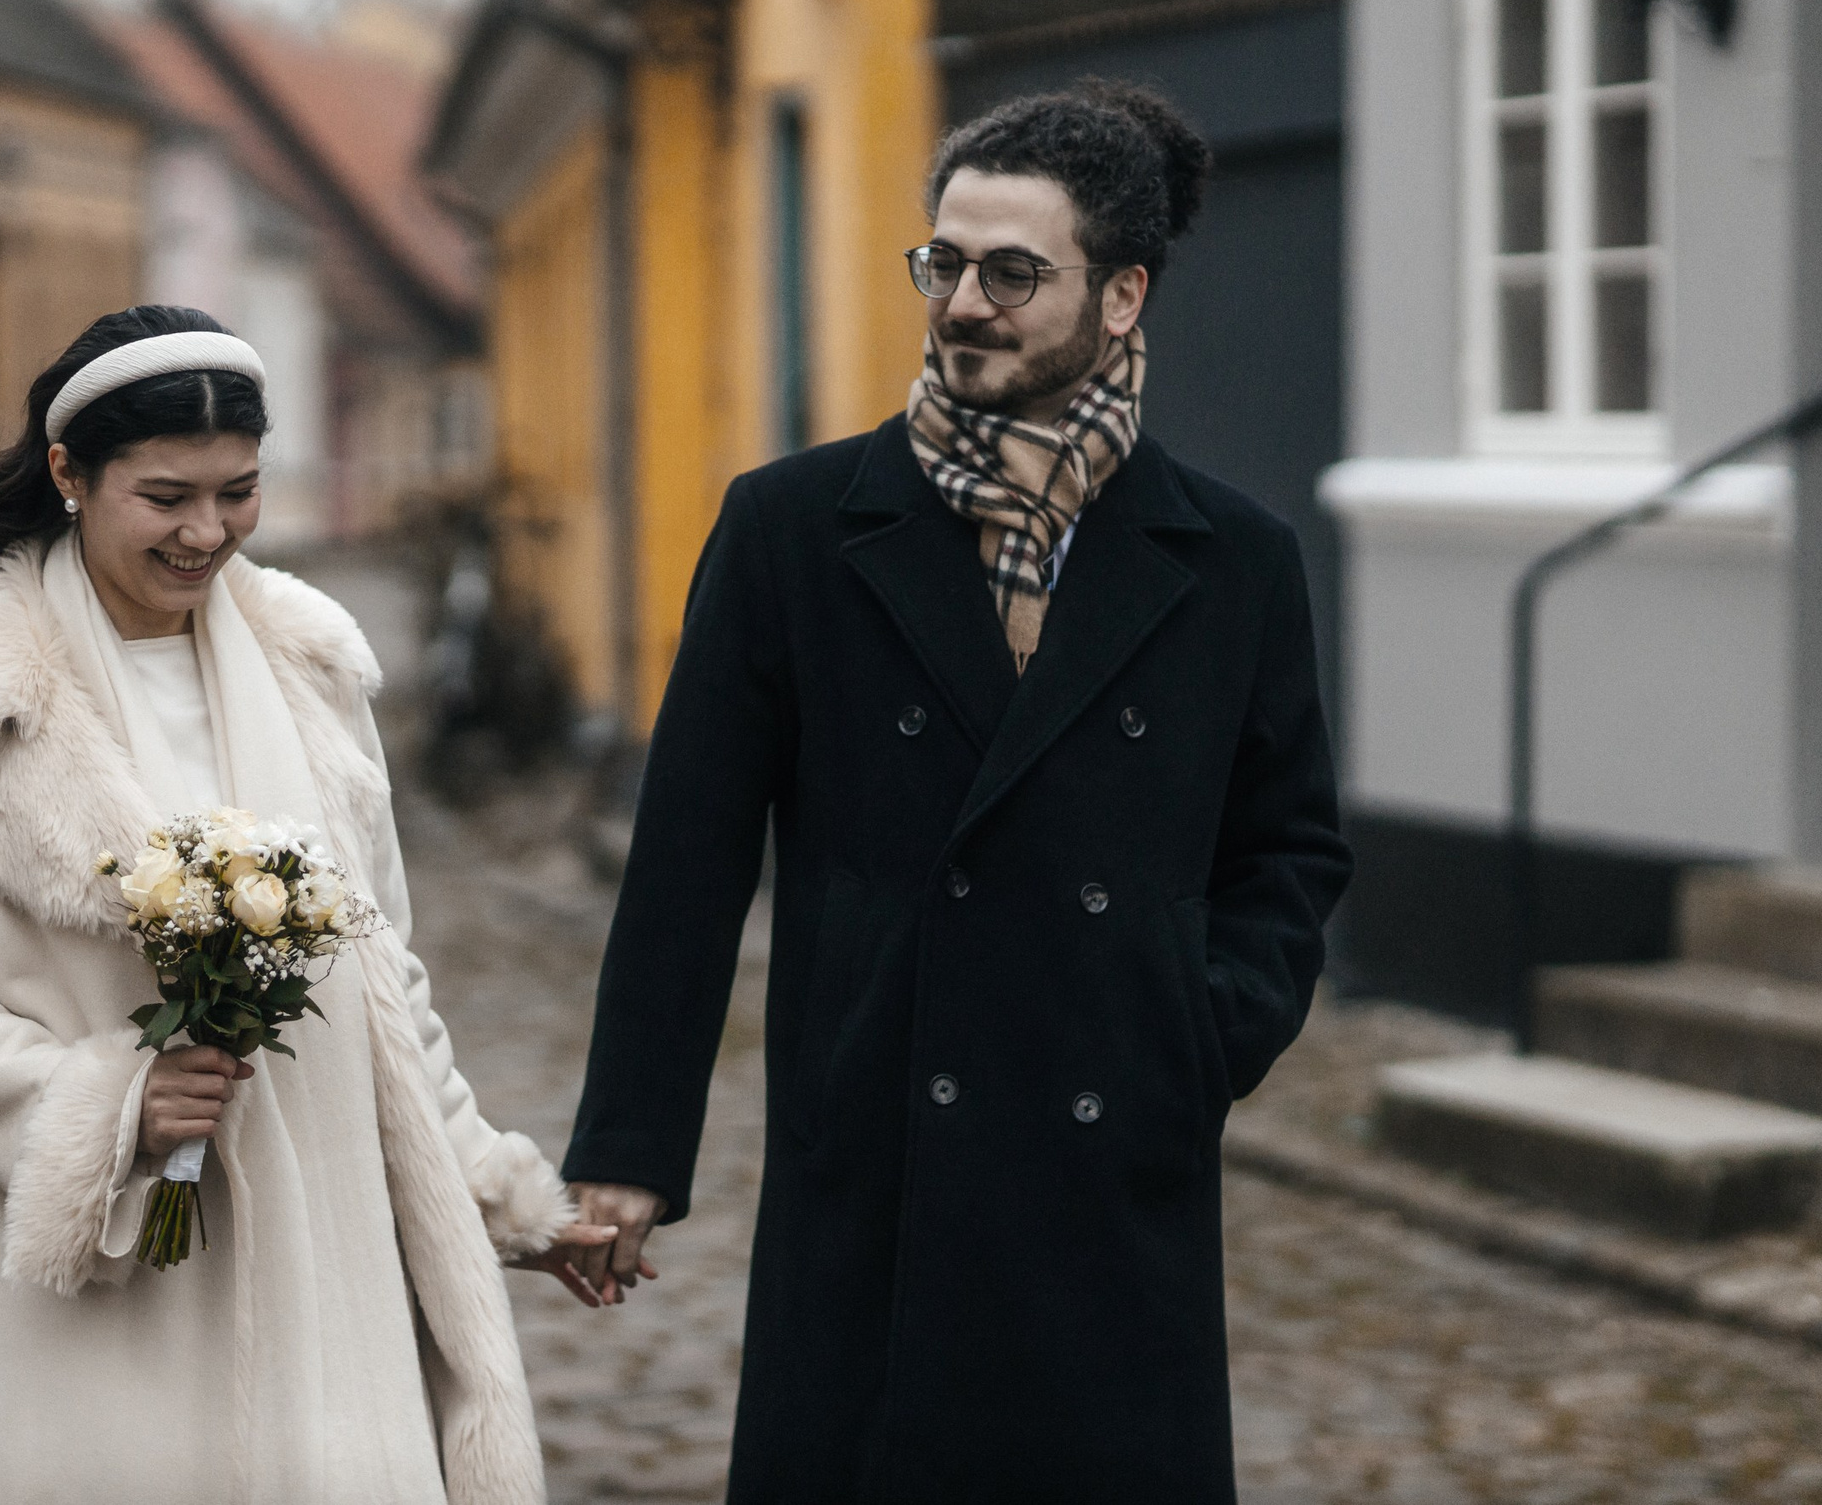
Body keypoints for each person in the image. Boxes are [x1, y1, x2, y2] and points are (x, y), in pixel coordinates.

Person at [559, 82, 1353, 1502]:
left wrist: (1198, 1029)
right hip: (876, 1158)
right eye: (944, 262)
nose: (963, 302)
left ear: (1122, 295)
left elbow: (1288, 845)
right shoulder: (795, 528)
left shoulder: (1234, 558)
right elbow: (687, 857)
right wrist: (628, 1151)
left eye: (1010, 271)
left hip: (1113, 1181)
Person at [0, 306, 608, 1504]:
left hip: (328, 1247)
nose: (207, 532)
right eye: (166, 498)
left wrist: (497, 1191)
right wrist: (113, 1105)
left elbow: (382, 980)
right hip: (110, 1278)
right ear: (69, 476)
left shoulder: (313, 663)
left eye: (237, 493)